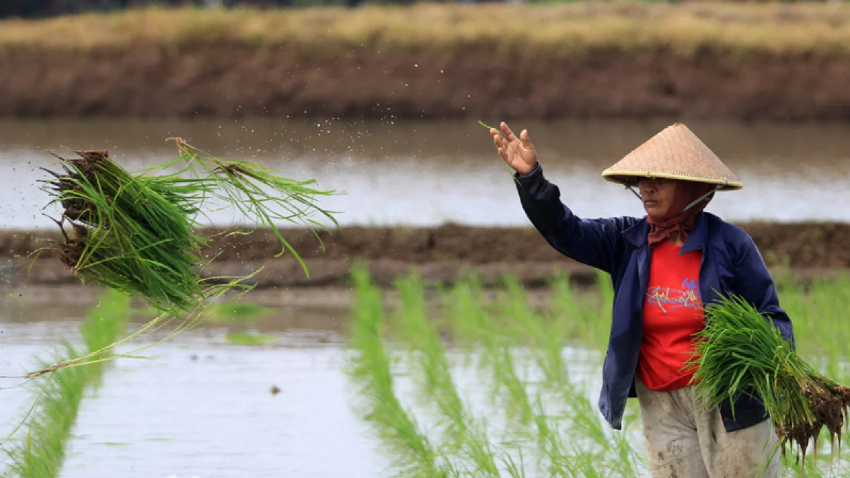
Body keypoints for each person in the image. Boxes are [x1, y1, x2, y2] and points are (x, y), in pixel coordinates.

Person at [489, 122, 795, 477]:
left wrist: (780, 373)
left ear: (692, 188)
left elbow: (771, 318)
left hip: (728, 398)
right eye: (642, 180)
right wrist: (531, 179)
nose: (646, 188)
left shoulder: (731, 245)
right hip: (661, 402)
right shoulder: (625, 241)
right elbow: (565, 231)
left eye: (660, 180)